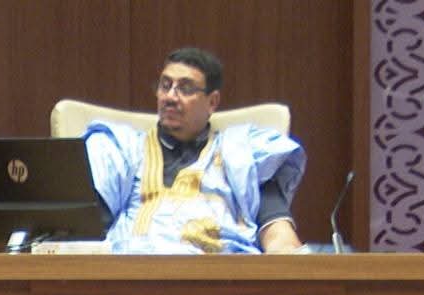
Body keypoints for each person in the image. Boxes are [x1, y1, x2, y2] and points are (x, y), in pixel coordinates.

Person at [84, 48, 306, 254]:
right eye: (165, 85)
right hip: (132, 275)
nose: (170, 97)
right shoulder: (121, 151)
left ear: (212, 102)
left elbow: (279, 234)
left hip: (223, 276)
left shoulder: (244, 153)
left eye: (186, 88)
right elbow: (84, 234)